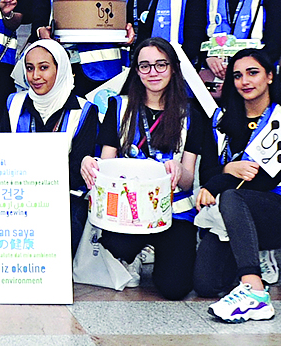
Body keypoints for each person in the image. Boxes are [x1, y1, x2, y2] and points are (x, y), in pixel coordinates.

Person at [88, 36, 221, 302]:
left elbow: (186, 182)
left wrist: (177, 171)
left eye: (161, 64)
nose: (153, 72)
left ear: (173, 68)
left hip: (172, 210)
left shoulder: (191, 114)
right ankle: (133, 251)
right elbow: (105, 162)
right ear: (136, 71)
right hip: (127, 209)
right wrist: (90, 165)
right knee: (117, 245)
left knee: (175, 289)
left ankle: (156, 246)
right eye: (145, 65)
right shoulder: (119, 106)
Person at [199, 49, 281, 324]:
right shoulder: (220, 121)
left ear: (270, 76)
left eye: (253, 73)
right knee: (205, 285)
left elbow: (266, 178)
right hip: (231, 214)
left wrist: (218, 182)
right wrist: (228, 169)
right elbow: (206, 172)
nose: (245, 81)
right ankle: (252, 254)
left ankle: (255, 292)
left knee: (232, 196)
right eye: (237, 75)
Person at [6, 37, 116, 250]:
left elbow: (77, 172)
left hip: (62, 201)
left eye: (44, 68)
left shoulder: (84, 111)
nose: (35, 76)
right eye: (29, 68)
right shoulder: (13, 104)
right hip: (16, 199)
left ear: (61, 69)